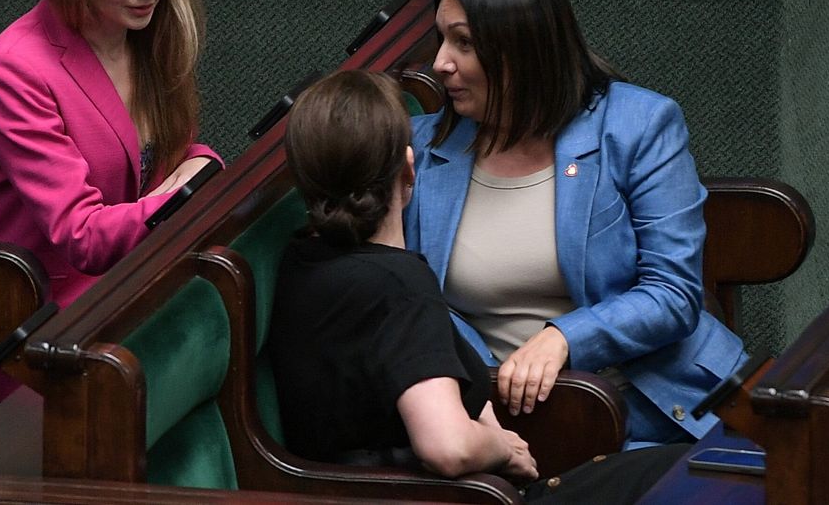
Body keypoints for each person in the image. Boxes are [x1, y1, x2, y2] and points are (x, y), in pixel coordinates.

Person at [268, 70, 686, 502]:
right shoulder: (401, 284)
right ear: (410, 170)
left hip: (341, 490)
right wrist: (502, 448)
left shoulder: (299, 262)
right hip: (442, 496)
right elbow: (447, 447)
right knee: (687, 468)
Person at [403, 0, 749, 447]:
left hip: (660, 410)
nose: (440, 63)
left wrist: (563, 336)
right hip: (522, 429)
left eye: (464, 42)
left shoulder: (638, 125)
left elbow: (673, 294)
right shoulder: (419, 152)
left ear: (522, 49)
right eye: (441, 40)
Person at [0, 0, 221, 308]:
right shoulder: (15, 68)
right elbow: (82, 235)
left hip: (140, 276)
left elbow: (176, 158)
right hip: (41, 312)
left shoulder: (153, 31)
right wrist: (183, 196)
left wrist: (203, 164)